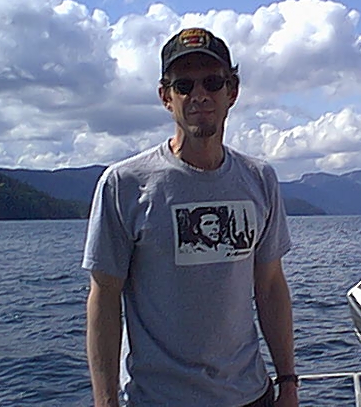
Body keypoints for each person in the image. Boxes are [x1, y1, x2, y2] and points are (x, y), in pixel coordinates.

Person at [82, 27, 298, 406]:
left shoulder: (260, 179)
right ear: (166, 97)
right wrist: (105, 401)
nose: (199, 95)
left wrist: (288, 381)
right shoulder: (124, 184)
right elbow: (104, 297)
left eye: (212, 82)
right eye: (184, 85)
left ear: (232, 91)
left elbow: (270, 286)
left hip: (251, 395)